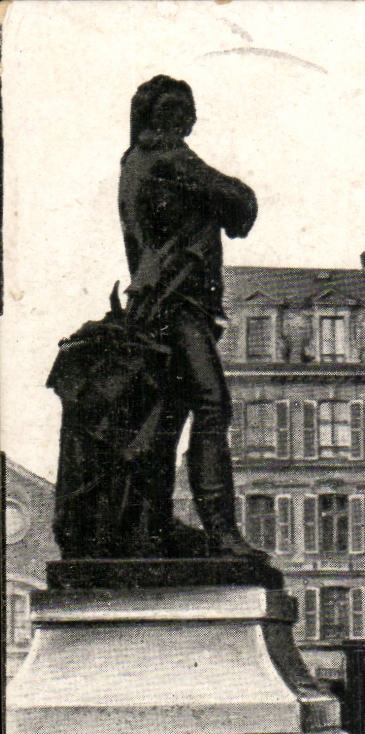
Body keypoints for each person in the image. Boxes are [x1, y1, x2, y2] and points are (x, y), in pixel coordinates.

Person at [84, 76, 262, 558]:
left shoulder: (138, 161)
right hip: (174, 300)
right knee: (211, 406)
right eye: (174, 109)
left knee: (169, 416)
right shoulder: (167, 157)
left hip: (165, 302)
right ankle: (221, 530)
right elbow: (240, 206)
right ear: (154, 116)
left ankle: (154, 523)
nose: (185, 119)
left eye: (187, 109)